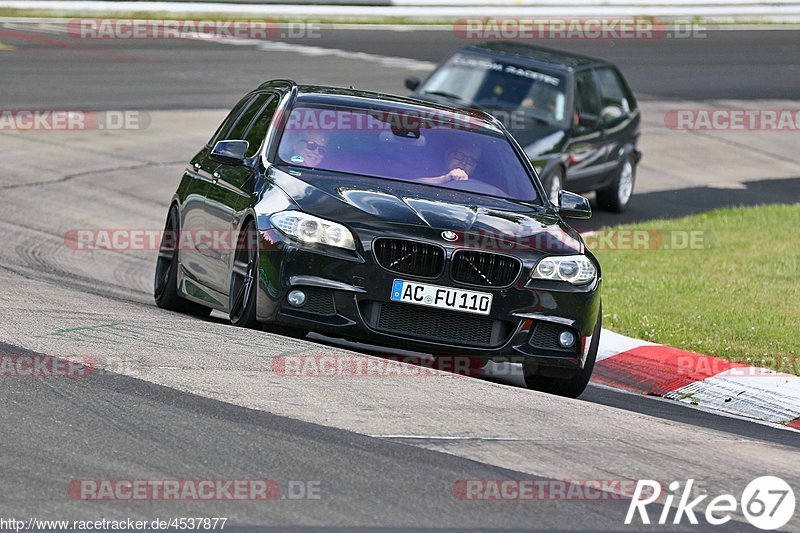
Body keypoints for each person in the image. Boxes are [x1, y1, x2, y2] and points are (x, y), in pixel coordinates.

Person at [415, 143, 481, 185]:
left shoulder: (478, 188)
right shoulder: (427, 170)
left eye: (470, 160)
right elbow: (412, 184)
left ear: (474, 167)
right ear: (447, 155)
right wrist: (445, 178)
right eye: (459, 155)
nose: (463, 162)